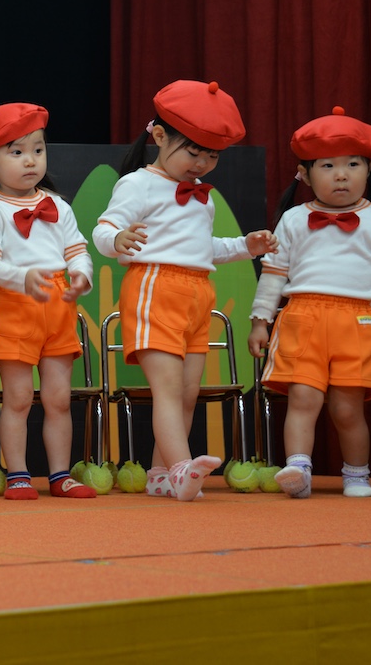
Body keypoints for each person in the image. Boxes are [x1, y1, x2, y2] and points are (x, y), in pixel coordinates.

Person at [92, 80, 277, 501]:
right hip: (155, 287)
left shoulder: (202, 198)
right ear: (159, 136)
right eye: (193, 151)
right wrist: (117, 239)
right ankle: (181, 469)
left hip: (197, 294)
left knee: (189, 394)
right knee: (169, 390)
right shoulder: (138, 183)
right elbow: (103, 230)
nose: (202, 163)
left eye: (212, 155)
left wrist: (245, 246)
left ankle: (160, 475)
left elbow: (203, 248)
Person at [247, 108, 371, 498]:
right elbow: (274, 273)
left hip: (358, 321)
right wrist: (260, 320)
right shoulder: (293, 219)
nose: (341, 175)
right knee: (303, 399)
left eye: (353, 164)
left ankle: (356, 474)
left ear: (369, 170)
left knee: (348, 407)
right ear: (304, 174)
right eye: (328, 166)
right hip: (302, 317)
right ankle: (299, 469)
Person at [0, 101, 96, 500]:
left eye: (38, 149)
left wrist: (81, 276)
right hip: (13, 306)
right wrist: (23, 277)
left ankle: (60, 475)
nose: (30, 160)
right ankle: (17, 473)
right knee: (17, 398)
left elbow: (78, 250)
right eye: (16, 152)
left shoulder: (58, 205)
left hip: (59, 305)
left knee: (59, 399)